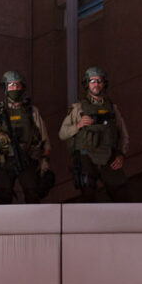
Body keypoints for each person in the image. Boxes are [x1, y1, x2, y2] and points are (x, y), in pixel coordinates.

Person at [59, 65, 130, 202]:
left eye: (99, 81)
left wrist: (121, 154)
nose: (96, 84)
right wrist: (78, 125)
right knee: (88, 195)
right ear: (87, 84)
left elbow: (124, 134)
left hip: (108, 156)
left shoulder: (112, 107)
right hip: (86, 157)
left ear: (104, 84)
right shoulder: (78, 108)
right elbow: (62, 134)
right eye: (92, 81)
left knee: (122, 196)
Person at [0, 70, 52, 203]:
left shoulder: (32, 111)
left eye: (17, 85)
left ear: (22, 87)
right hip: (5, 160)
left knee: (32, 194)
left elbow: (44, 139)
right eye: (11, 85)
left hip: (27, 158)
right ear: (5, 88)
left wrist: (44, 161)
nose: (14, 88)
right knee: (4, 195)